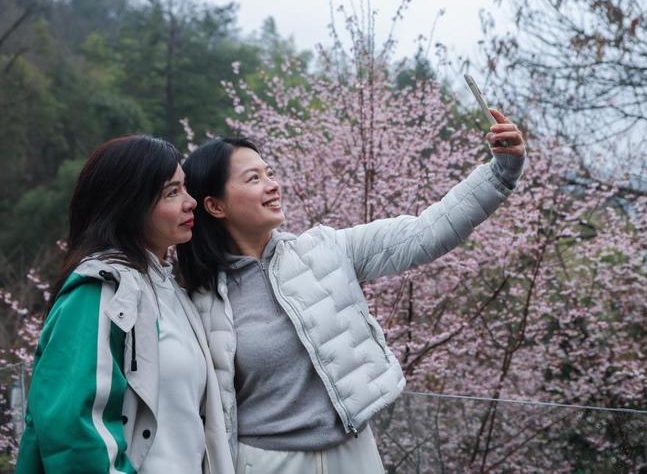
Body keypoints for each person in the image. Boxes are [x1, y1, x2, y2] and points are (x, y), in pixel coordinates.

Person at [177, 109, 526, 473]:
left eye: (271, 173)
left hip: (354, 453)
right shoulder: (197, 297)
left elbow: (426, 232)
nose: (272, 184)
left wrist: (500, 171)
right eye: (253, 178)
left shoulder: (325, 249)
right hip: (266, 463)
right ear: (215, 206)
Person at [16, 135, 234, 474]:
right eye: (171, 192)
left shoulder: (169, 289)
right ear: (130, 203)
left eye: (185, 188)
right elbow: (73, 428)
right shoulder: (100, 290)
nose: (191, 202)